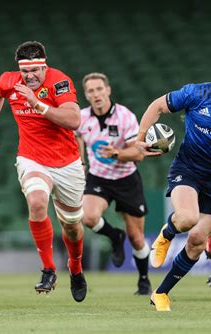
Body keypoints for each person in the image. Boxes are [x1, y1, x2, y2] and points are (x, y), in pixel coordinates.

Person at [136, 48, 211, 311]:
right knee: (188, 218)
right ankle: (166, 234)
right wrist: (140, 137)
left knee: (196, 241)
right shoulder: (195, 93)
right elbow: (157, 106)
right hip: (187, 169)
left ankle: (161, 293)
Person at [0, 41, 87, 302]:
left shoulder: (59, 81)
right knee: (37, 202)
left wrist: (37, 104)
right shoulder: (10, 81)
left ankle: (75, 267)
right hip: (32, 158)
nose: (30, 77)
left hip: (67, 162)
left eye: (35, 71)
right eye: (25, 72)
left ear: (44, 66)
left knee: (72, 227)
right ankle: (49, 269)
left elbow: (74, 120)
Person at [76, 72, 155, 295]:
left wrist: (117, 153)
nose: (96, 94)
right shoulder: (82, 117)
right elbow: (78, 136)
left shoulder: (125, 117)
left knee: (137, 238)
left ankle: (143, 279)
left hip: (126, 179)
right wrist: (82, 162)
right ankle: (114, 236)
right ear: (86, 95)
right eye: (91, 91)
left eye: (99, 89)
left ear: (108, 90)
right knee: (88, 216)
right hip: (99, 177)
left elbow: (138, 154)